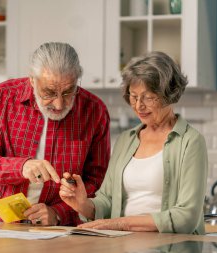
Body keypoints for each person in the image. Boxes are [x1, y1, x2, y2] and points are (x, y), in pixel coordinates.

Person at [59, 51, 208, 234]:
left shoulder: (190, 141)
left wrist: (121, 224)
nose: (139, 106)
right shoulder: (125, 140)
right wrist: (83, 204)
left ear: (168, 94)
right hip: (125, 245)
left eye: (148, 97)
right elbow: (107, 201)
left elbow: (186, 217)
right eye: (134, 96)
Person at [0, 42, 110, 226]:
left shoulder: (94, 111)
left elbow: (97, 182)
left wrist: (58, 213)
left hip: (57, 232)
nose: (59, 104)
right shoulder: (2, 97)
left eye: (68, 92)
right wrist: (21, 167)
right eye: (49, 93)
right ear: (32, 80)